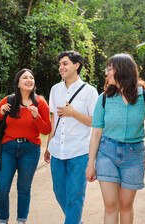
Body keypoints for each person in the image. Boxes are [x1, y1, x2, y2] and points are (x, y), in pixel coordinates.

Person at [85, 53, 145, 224]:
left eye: (110, 69)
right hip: (106, 153)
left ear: (122, 71)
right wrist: (91, 163)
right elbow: (96, 132)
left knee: (126, 205)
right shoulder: (104, 98)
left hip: (134, 155)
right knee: (111, 205)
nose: (107, 73)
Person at [0, 68, 51, 224]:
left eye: (31, 77)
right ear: (18, 83)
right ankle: (3, 220)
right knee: (2, 189)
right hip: (8, 148)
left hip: (30, 150)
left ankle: (21, 220)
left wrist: (36, 116)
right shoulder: (9, 100)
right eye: (25, 78)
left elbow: (46, 130)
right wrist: (2, 112)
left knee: (24, 188)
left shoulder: (40, 102)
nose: (29, 80)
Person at [44, 51, 99, 224]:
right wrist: (48, 146)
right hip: (57, 150)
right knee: (59, 192)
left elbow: (95, 122)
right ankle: (76, 220)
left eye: (65, 63)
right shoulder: (55, 89)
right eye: (60, 64)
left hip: (80, 151)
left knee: (75, 197)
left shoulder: (90, 92)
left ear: (77, 65)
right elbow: (54, 120)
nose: (61, 67)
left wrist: (73, 113)